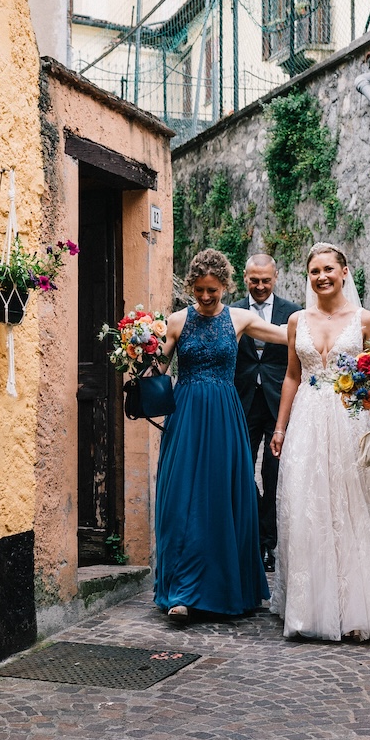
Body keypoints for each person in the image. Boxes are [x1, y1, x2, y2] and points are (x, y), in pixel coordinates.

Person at [269, 242, 370, 640]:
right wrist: (280, 428)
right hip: (308, 421)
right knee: (309, 506)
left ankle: (357, 611)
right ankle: (311, 607)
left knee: (353, 506)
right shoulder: (297, 320)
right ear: (308, 277)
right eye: (315, 271)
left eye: (329, 269)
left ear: (344, 272)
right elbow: (292, 377)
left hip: (351, 420)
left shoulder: (365, 320)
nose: (322, 277)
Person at [153, 249, 288, 620]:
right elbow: (158, 367)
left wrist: (330, 325)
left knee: (224, 497)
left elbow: (287, 336)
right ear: (190, 287)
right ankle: (181, 592)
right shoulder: (178, 321)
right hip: (186, 417)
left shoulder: (240, 318)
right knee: (182, 499)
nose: (206, 298)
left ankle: (228, 587)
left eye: (212, 290)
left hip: (226, 416)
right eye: (199, 291)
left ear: (225, 286)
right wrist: (140, 349)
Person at [231, 254, 301, 573]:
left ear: (276, 277)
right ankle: (253, 535)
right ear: (245, 278)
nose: (260, 286)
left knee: (273, 475)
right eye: (254, 280)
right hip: (240, 401)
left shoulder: (293, 312)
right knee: (242, 470)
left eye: (266, 280)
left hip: (278, 405)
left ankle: (267, 546)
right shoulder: (230, 311)